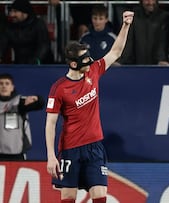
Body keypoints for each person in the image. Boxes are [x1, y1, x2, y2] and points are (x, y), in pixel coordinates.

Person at [45, 11, 133, 203]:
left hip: (95, 148)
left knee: (100, 196)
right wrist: (51, 157)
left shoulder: (93, 71)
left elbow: (116, 52)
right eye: (85, 59)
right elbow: (50, 124)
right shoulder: (59, 88)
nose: (90, 60)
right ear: (74, 64)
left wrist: (125, 25)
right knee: (68, 198)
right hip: (70, 149)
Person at [0, 73, 45, 161]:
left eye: (7, 83)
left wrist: (37, 98)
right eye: (1, 84)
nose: (4, 86)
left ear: (12, 87)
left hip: (17, 154)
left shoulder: (19, 102)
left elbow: (40, 104)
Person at [118, 0, 169, 65]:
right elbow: (128, 41)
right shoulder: (133, 16)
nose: (150, 2)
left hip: (158, 66)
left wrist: (162, 60)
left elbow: (164, 42)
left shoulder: (164, 17)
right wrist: (121, 61)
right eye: (147, 0)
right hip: (136, 66)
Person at [0, 0, 54, 64]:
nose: (12, 14)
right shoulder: (9, 26)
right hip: (19, 64)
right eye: (11, 11)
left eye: (15, 11)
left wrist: (36, 61)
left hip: (42, 64)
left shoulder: (38, 24)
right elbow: (3, 44)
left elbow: (44, 46)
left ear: (25, 13)